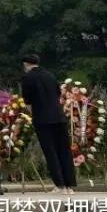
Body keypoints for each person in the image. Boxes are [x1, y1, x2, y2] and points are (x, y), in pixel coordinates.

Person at [20, 54, 77, 194]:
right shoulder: (50, 75)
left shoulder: (27, 78)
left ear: (25, 64)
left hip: (42, 119)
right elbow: (57, 94)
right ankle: (70, 185)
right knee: (64, 150)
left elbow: (28, 102)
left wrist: (34, 114)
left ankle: (60, 185)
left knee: (50, 151)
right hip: (59, 116)